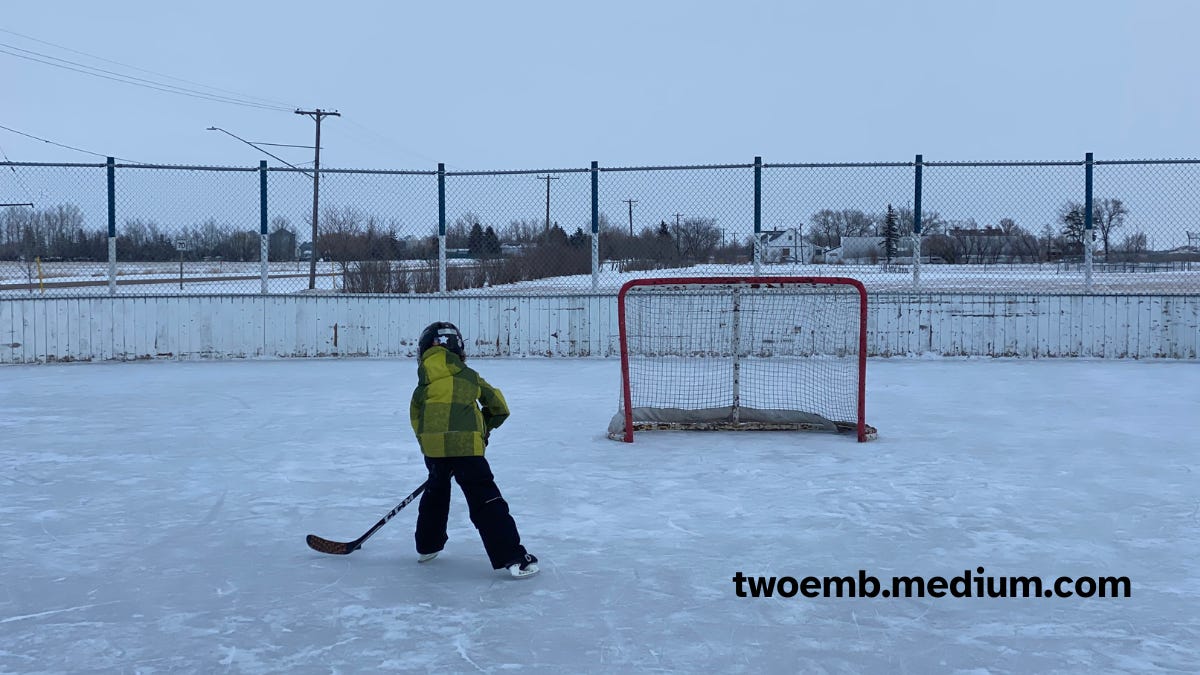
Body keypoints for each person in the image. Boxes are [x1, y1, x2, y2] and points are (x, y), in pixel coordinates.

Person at [409, 321, 539, 578]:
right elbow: (500, 407)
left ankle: (427, 546)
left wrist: (432, 446)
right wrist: (483, 431)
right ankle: (513, 557)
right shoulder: (470, 377)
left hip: (434, 449)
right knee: (485, 499)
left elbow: (416, 419)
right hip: (467, 447)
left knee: (435, 493)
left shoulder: (422, 383)